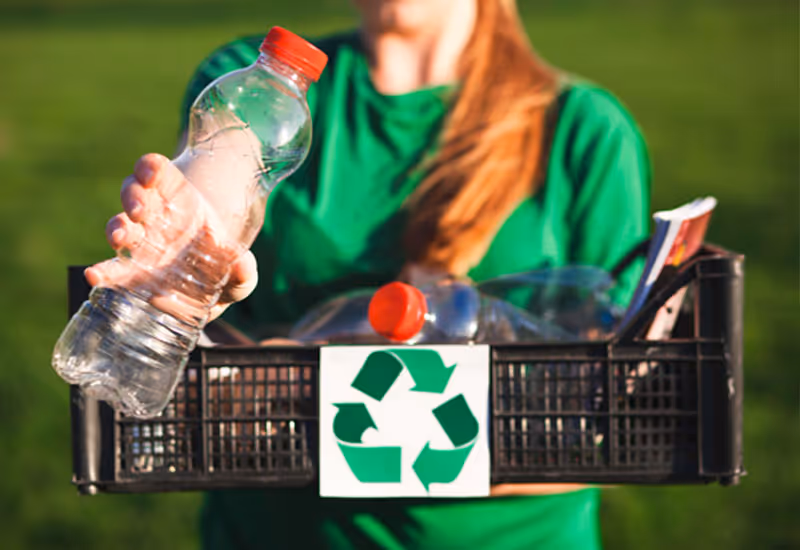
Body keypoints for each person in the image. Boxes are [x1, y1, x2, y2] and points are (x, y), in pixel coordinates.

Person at [87, 0, 650, 547]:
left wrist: (297, 385)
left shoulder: (586, 131)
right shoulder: (265, 95)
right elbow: (196, 252)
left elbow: (615, 419)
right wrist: (185, 285)